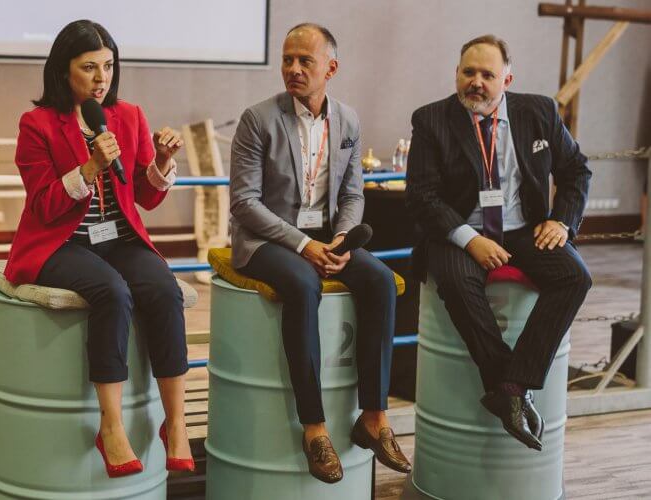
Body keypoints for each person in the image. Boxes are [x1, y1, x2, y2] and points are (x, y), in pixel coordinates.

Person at [4, 20, 193, 477]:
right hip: (61, 242)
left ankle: (177, 421)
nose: (101, 77)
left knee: (165, 290)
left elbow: (145, 197)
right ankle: (111, 424)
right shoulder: (38, 124)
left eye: (108, 66)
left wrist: (163, 163)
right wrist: (89, 167)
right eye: (89, 67)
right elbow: (45, 206)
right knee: (113, 291)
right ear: (63, 70)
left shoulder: (128, 115)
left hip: (119, 237)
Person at [229, 23, 411, 483]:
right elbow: (244, 203)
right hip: (267, 241)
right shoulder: (258, 118)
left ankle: (374, 417)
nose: (292, 68)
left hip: (328, 236)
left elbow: (353, 194)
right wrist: (303, 244)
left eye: (304, 61)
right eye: (287, 59)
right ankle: (314, 426)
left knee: (380, 281)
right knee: (303, 282)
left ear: (331, 67)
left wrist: (343, 238)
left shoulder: (347, 120)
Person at [406, 34, 592, 450]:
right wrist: (470, 240)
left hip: (525, 227)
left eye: (487, 74)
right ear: (456, 74)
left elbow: (576, 171)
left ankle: (511, 386)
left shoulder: (540, 111)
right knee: (455, 282)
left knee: (574, 277)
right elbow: (422, 196)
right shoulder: (431, 119)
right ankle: (506, 384)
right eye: (468, 72)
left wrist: (562, 222)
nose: (476, 82)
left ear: (507, 78)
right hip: (458, 229)